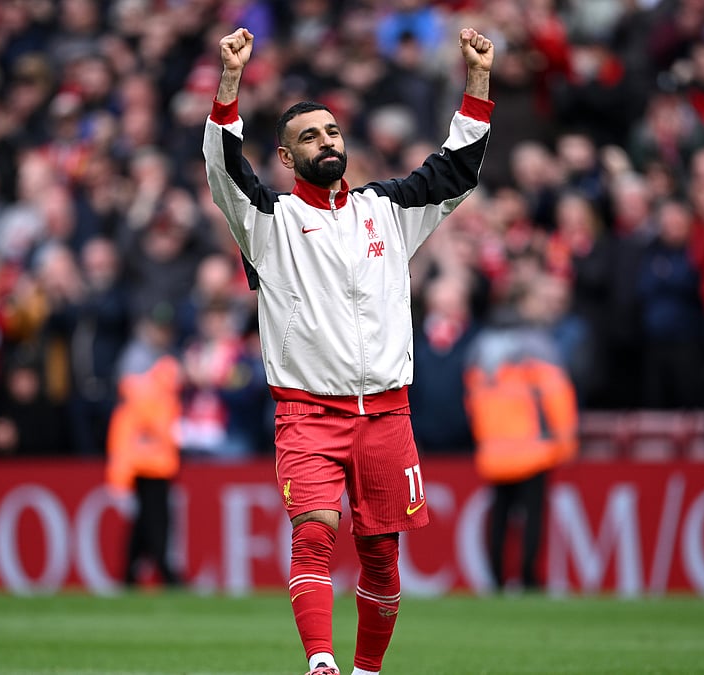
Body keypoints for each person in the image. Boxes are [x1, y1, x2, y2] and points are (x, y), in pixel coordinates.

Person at [204, 25, 493, 675]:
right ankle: (322, 663)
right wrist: (229, 83)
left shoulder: (387, 208)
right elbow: (223, 169)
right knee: (312, 533)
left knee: (382, 554)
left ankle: (366, 670)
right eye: (310, 135)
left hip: (387, 412)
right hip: (306, 412)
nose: (327, 141)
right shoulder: (269, 222)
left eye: (332, 131)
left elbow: (457, 170)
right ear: (285, 157)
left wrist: (477, 83)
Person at [464, 293, 577, 592]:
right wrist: (565, 443)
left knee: (499, 517)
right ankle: (529, 577)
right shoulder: (537, 348)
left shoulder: (478, 352)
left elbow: (471, 404)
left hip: (494, 451)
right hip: (533, 450)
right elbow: (558, 397)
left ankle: (496, 578)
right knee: (532, 518)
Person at [106, 305, 184, 590]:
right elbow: (143, 405)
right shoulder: (139, 358)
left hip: (155, 454)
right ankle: (164, 570)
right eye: (158, 328)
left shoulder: (160, 357)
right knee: (157, 516)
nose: (163, 333)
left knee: (148, 517)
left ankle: (130, 572)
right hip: (144, 454)